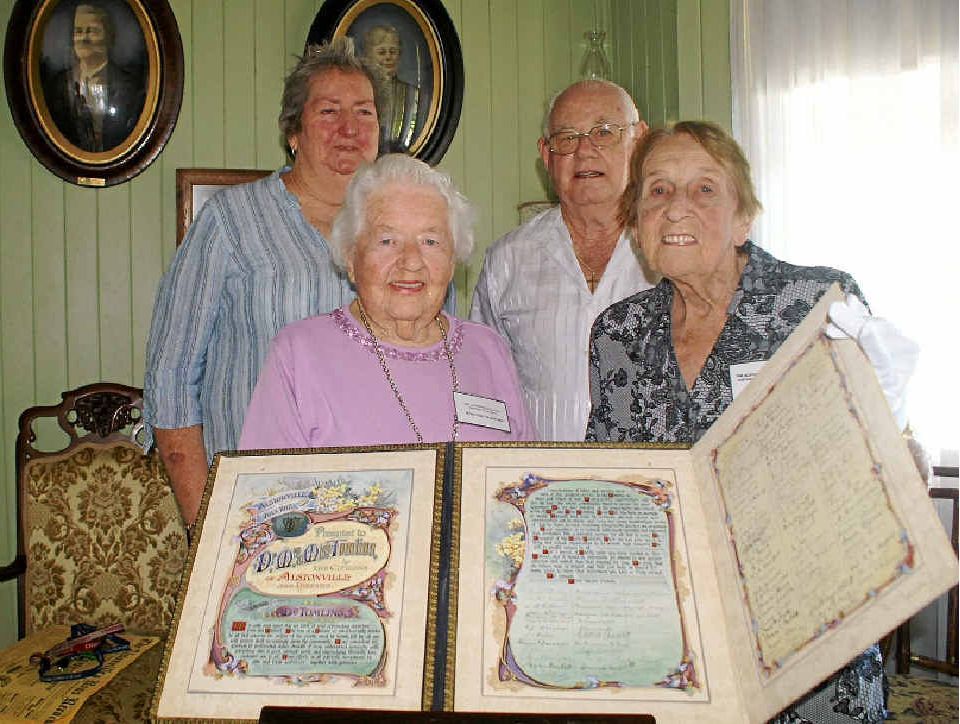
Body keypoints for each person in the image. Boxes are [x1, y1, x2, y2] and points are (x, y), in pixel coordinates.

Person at [586, 121, 915, 723]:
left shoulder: (820, 305)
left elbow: (881, 456)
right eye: (657, 191)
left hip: (809, 647)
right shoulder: (618, 335)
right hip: (673, 649)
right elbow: (607, 486)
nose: (677, 206)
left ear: (744, 219)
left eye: (705, 189)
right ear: (636, 226)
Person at [143, 39, 382, 526]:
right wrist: (205, 520)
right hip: (256, 510)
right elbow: (170, 379)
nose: (350, 129)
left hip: (373, 507)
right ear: (293, 130)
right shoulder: (232, 221)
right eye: (329, 111)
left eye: (365, 112)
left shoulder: (400, 232)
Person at [239, 154, 535, 448]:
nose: (410, 262)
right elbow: (265, 487)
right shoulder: (299, 353)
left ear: (453, 260)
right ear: (351, 257)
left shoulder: (487, 350)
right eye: (387, 241)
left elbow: (521, 476)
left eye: (430, 242)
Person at [470, 79, 655, 441]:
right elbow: (483, 390)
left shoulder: (671, 253)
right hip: (536, 485)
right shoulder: (508, 261)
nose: (585, 152)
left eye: (604, 132)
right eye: (567, 138)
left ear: (640, 140)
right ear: (546, 155)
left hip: (649, 484)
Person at [42, 2, 146, 152]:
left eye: (92, 31)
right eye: (78, 31)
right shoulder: (57, 87)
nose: (84, 38)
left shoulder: (132, 88)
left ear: (109, 36)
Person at [360, 25, 425, 152]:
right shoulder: (360, 93)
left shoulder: (411, 93)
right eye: (382, 52)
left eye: (393, 52)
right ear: (367, 56)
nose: (388, 57)